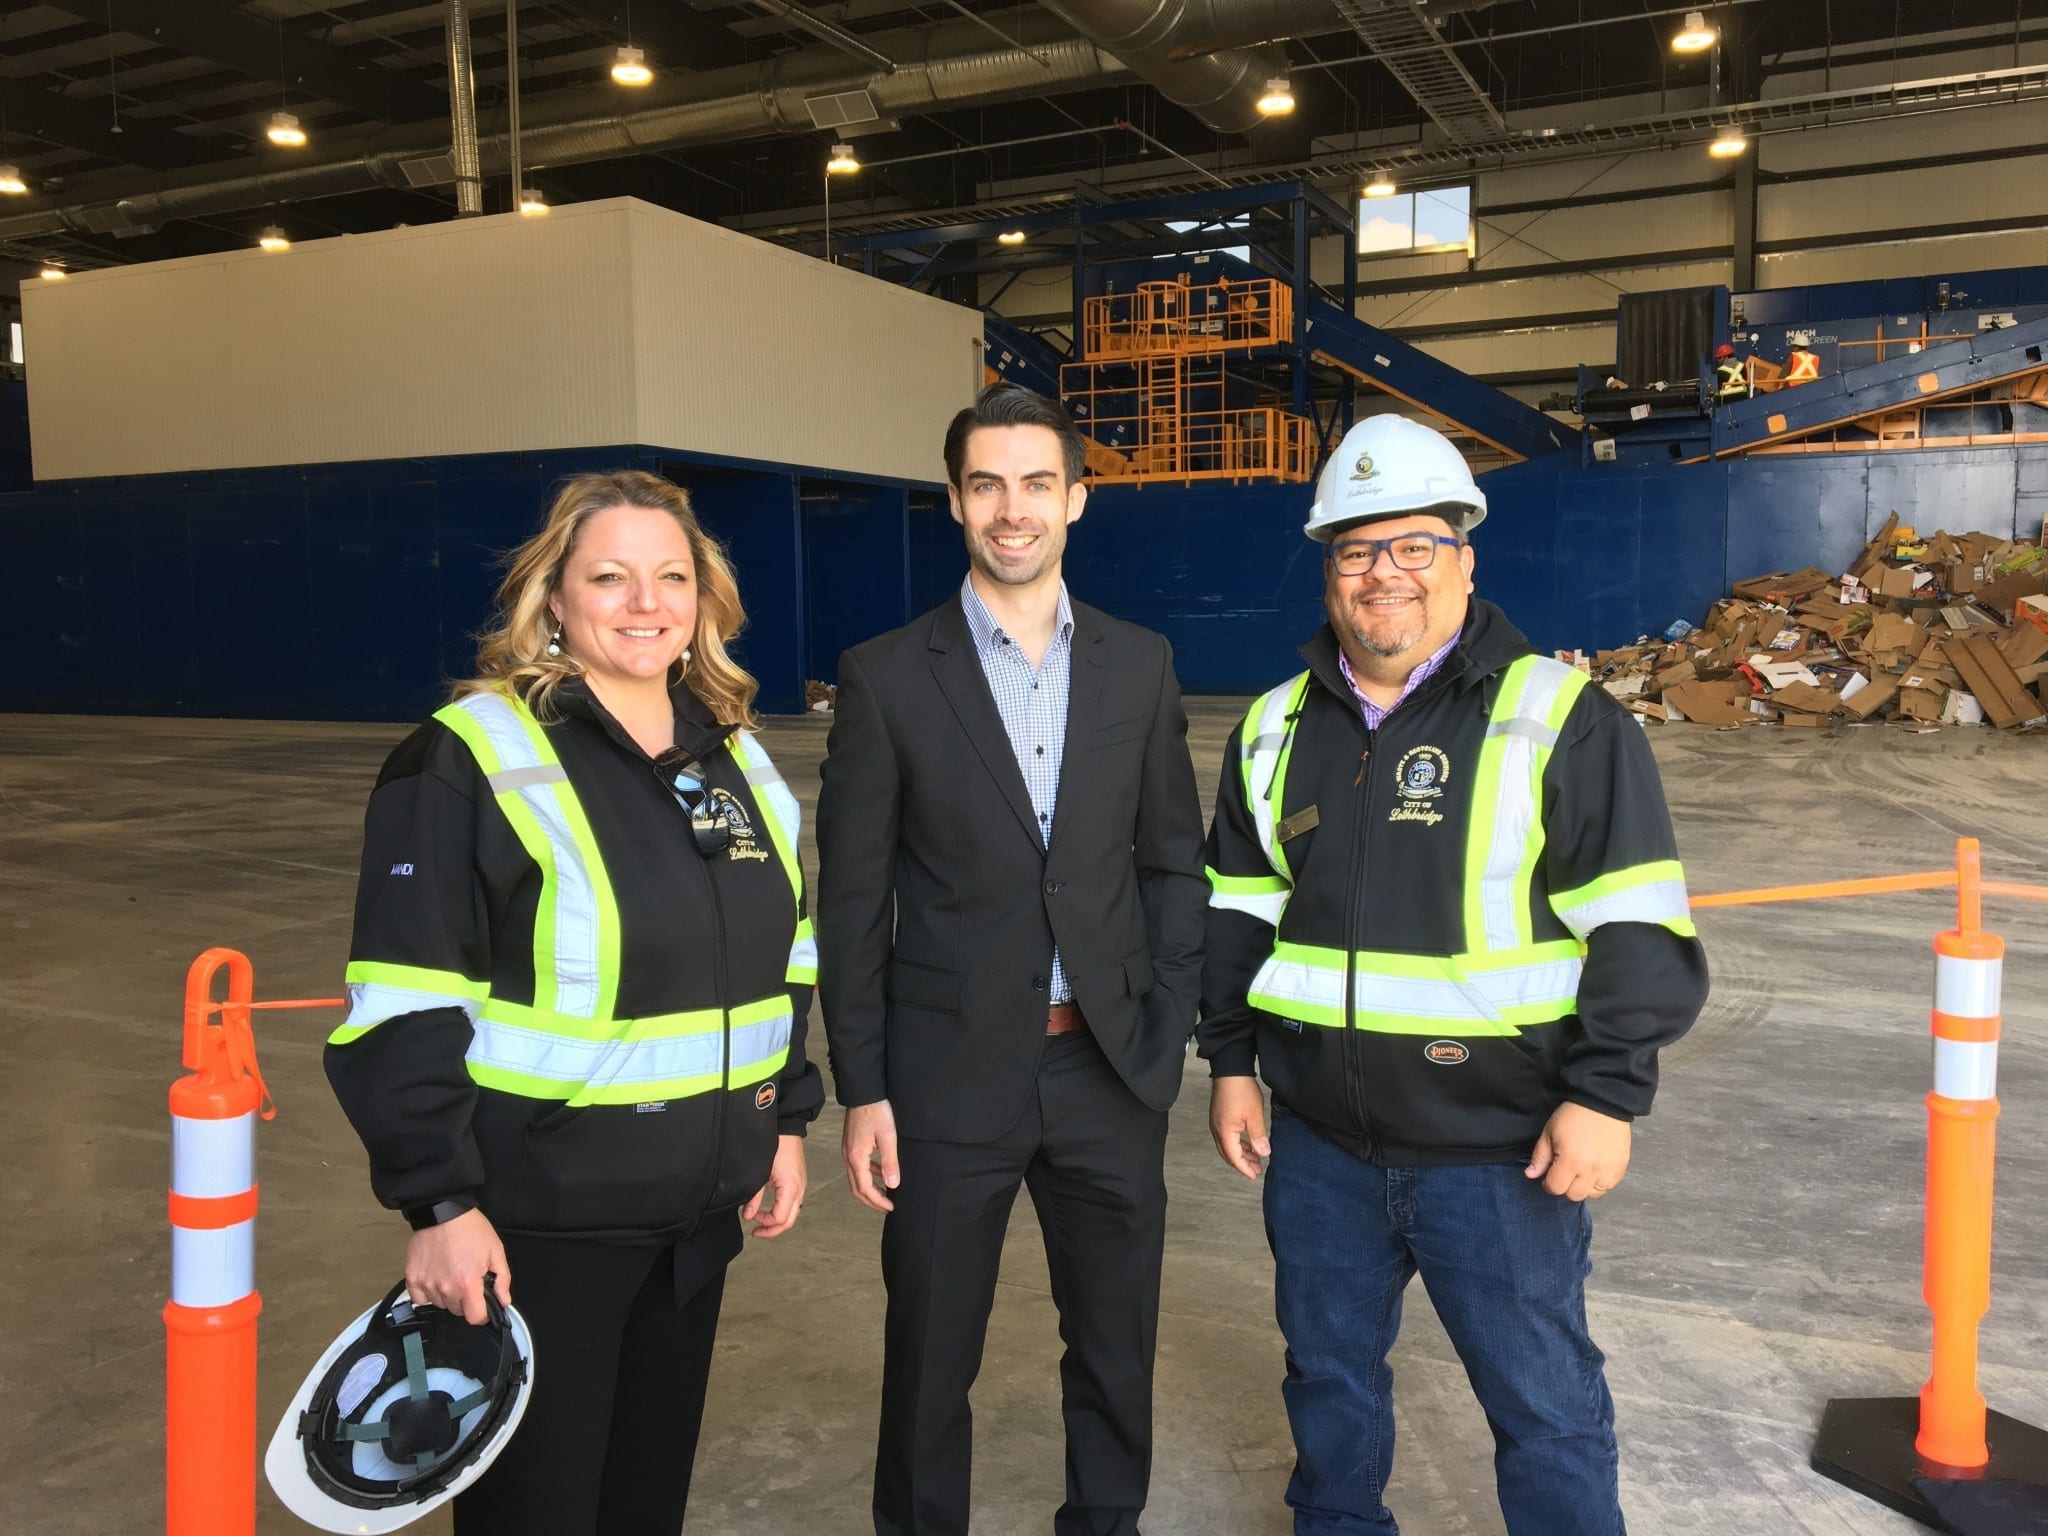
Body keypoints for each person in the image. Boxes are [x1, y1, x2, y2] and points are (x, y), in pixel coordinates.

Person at [1199, 415, 1708, 1536]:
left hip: (1500, 1153)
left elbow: (1635, 923)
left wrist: (1605, 1092)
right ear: (1327, 568)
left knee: (1542, 1408)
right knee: (1328, 1388)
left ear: (1465, 556)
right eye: (1356, 550)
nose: (1384, 575)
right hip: (1321, 1148)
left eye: (1413, 545)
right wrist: (1230, 1065)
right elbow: (1237, 909)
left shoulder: (1555, 718)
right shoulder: (1275, 725)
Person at [326, 470, 822, 1535]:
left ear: (703, 599)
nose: (644, 604)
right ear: (554, 598)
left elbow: (787, 953)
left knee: (641, 1503)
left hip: (694, 1224)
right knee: (536, 1511)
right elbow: (406, 997)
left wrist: (783, 1118)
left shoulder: (729, 755)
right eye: (609, 577)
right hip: (540, 1232)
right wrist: (441, 1205)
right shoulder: (472, 755)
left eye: (669, 577)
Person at [817, 382, 1207, 1536]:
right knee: (930, 1358)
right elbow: (848, 899)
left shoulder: (1139, 666)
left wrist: (1164, 1011)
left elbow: (1171, 862)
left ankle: (1106, 1523)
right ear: (952, 501)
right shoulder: (887, 676)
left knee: (1114, 1345)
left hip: (1106, 1067)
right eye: (985, 484)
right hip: (945, 1081)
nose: (1011, 509)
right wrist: (865, 1085)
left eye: (1036, 483)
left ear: (1076, 499)